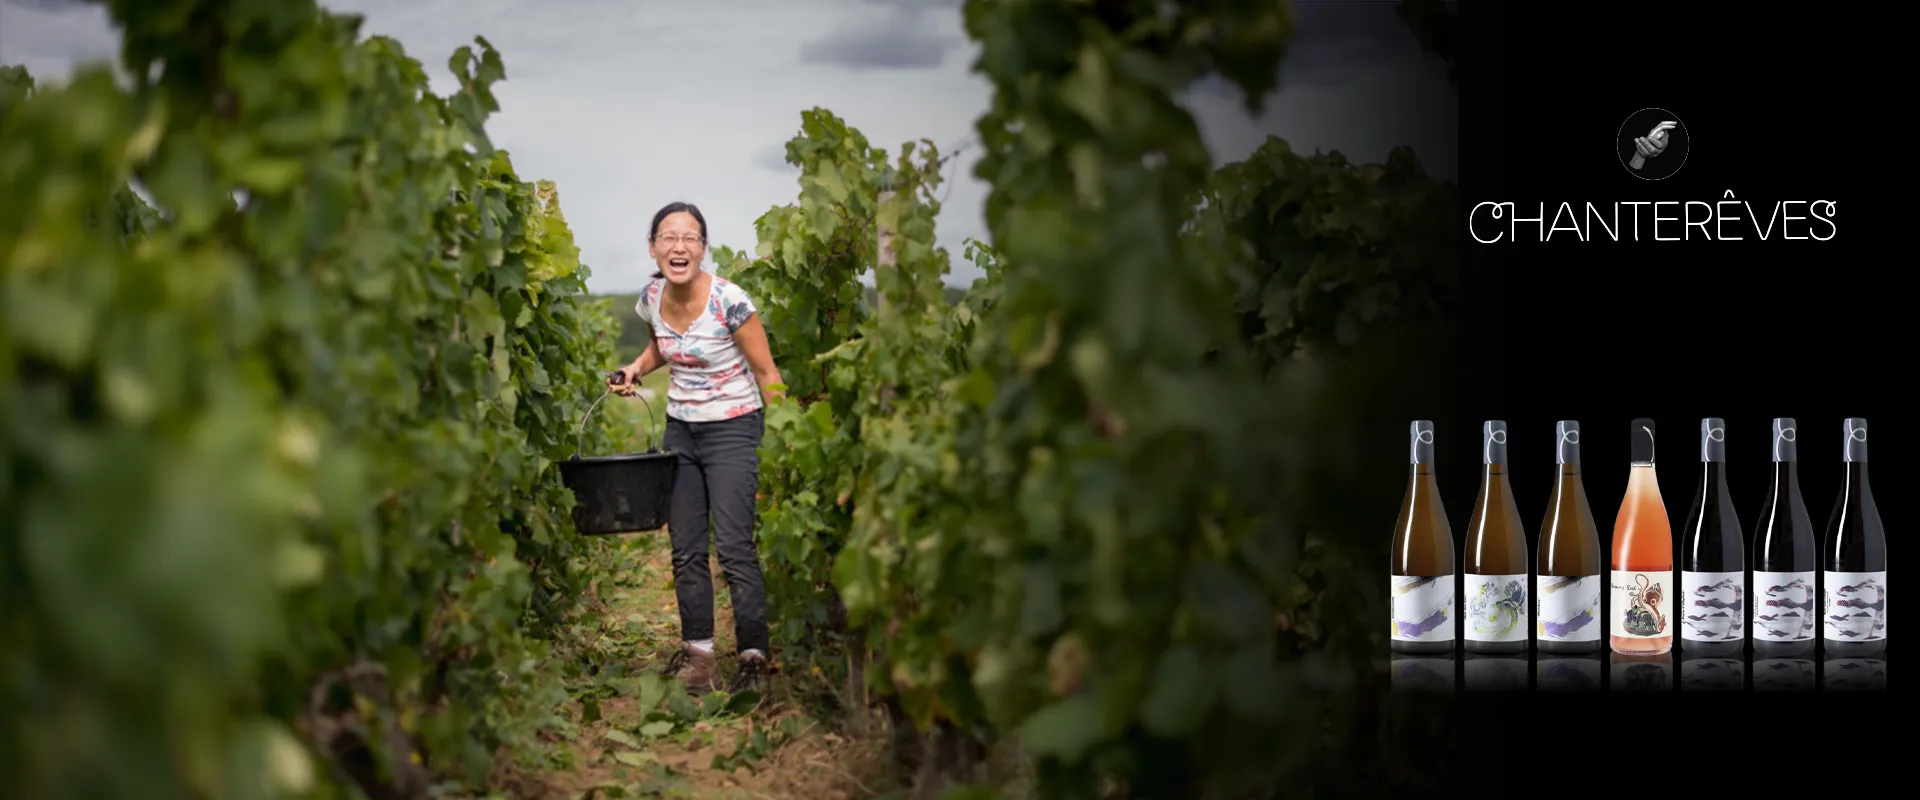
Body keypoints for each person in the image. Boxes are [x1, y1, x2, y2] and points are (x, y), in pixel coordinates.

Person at [610, 201, 783, 696]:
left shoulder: (730, 301)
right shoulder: (651, 297)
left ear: (703, 248)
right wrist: (635, 368)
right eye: (668, 237)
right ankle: (700, 659)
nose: (678, 246)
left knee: (733, 547)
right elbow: (663, 348)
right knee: (686, 549)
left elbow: (767, 372)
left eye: (689, 237)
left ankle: (752, 658)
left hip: (734, 429)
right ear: (653, 247)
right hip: (681, 431)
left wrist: (784, 438)